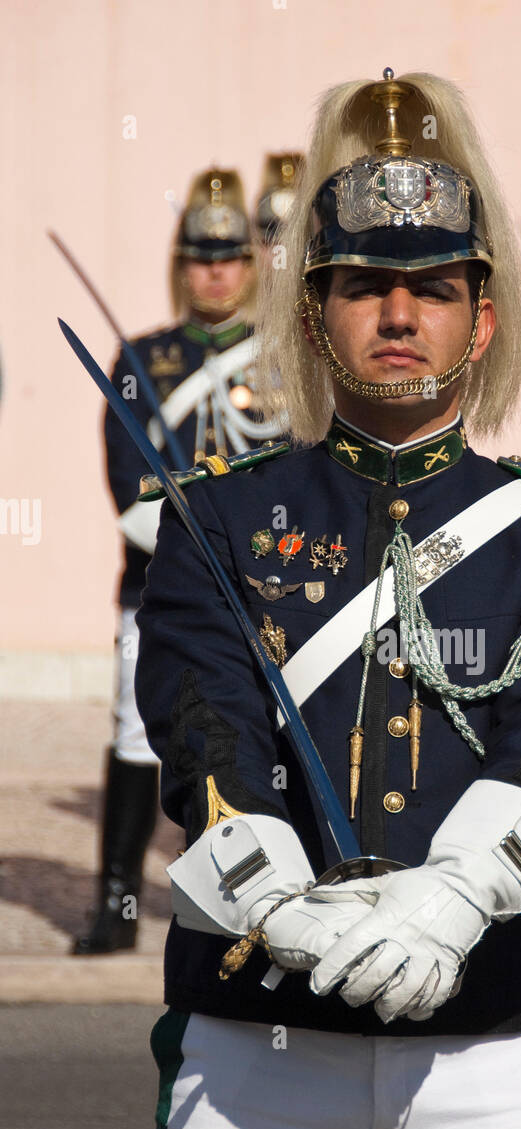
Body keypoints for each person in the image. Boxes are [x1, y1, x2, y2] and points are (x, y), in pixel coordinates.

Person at [135, 70, 521, 1129]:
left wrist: (456, 899)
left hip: (492, 1030)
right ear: (316, 314)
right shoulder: (215, 519)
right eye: (363, 285)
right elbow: (200, 728)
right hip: (258, 1031)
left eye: (432, 286)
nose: (397, 312)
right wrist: (283, 905)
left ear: (481, 312)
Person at [73, 168, 277, 955]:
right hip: (158, 589)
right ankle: (116, 907)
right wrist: (211, 548)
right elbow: (132, 495)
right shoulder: (141, 358)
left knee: (255, 742)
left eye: (228, 256)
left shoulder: (285, 361)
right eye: (200, 257)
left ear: (250, 264)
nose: (215, 272)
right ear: (180, 264)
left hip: (264, 591)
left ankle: (251, 904)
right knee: (135, 733)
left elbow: (299, 475)